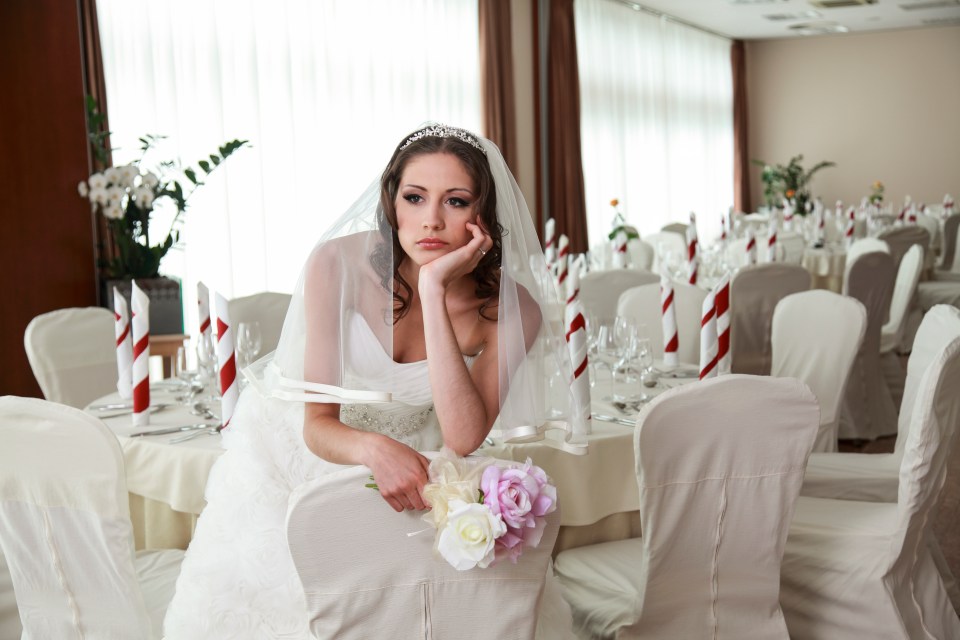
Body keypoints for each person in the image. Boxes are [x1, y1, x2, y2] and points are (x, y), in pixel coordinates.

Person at [163, 124, 583, 638]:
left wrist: (432, 289)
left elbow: (463, 436)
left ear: (483, 216)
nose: (430, 220)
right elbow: (316, 424)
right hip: (297, 451)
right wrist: (373, 449)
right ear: (393, 203)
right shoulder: (337, 265)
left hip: (413, 461)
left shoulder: (513, 310)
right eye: (415, 197)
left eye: (455, 201)